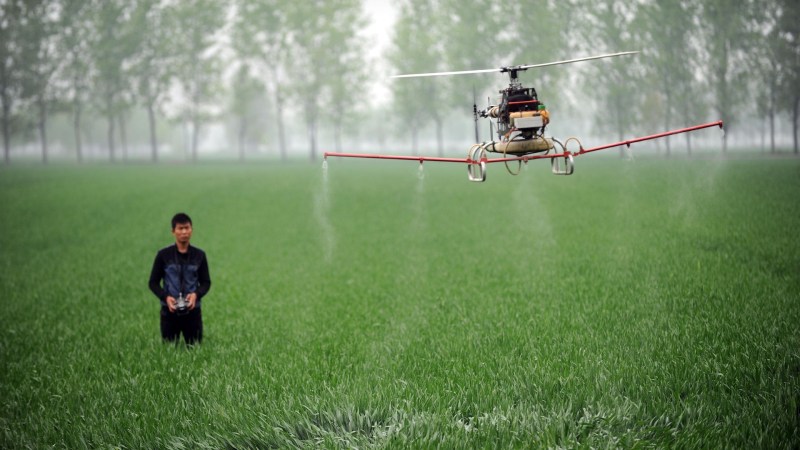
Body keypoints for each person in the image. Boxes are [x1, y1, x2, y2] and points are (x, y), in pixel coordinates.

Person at [148, 213, 211, 345]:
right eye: (180, 228)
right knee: (169, 352)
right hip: (169, 312)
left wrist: (196, 295)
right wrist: (166, 298)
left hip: (193, 312)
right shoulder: (163, 255)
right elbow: (153, 283)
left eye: (187, 228)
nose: (184, 232)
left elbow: (206, 282)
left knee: (195, 351)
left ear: (191, 230)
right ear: (173, 231)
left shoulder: (199, 255)